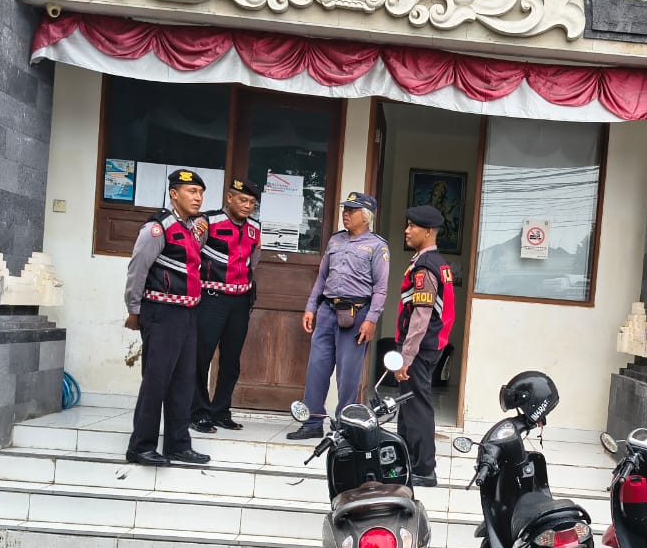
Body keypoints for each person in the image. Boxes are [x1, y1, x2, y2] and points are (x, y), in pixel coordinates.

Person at [122, 169, 212, 467]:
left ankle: (178, 444)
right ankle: (141, 446)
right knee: (156, 381)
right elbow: (137, 270)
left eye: (201, 193)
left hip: (187, 314)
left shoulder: (192, 228)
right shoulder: (158, 228)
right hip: (161, 313)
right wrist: (134, 310)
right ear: (174, 194)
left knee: (183, 383)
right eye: (191, 192)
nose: (198, 198)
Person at [286, 192, 391, 440]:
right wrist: (311, 307)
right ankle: (312, 422)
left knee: (348, 377)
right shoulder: (335, 240)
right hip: (327, 312)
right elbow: (322, 277)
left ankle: (344, 427)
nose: (346, 213)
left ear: (365, 216)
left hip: (356, 315)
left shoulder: (377, 246)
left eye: (352, 210)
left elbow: (381, 288)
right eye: (346, 209)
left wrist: (371, 319)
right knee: (317, 368)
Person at [191, 178, 262, 434]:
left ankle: (220, 411)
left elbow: (254, 261)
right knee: (201, 357)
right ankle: (198, 412)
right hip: (211, 298)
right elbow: (191, 256)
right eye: (242, 200)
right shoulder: (207, 222)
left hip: (240, 302)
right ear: (229, 198)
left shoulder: (255, 228)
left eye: (252, 202)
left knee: (231, 361)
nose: (247, 206)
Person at [392, 205, 455, 488]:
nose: (407, 231)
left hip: (419, 348)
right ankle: (407, 461)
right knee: (408, 404)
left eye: (412, 226)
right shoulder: (435, 263)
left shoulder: (425, 267)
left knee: (416, 406)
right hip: (426, 346)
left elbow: (421, 316)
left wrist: (406, 356)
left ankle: (424, 469)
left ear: (428, 231)